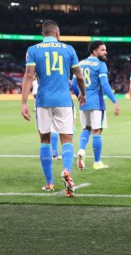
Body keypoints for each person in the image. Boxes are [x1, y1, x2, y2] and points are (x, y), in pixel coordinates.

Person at [21, 20, 86, 198]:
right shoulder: (69, 49)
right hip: (64, 101)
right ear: (57, 33)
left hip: (43, 101)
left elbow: (28, 76)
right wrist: (83, 93)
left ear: (43, 33)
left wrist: (24, 103)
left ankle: (49, 183)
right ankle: (66, 170)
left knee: (44, 140)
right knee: (66, 139)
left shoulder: (33, 50)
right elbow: (79, 76)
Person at [72, 40, 120, 170]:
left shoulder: (80, 64)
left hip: (84, 103)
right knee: (97, 131)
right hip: (97, 103)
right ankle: (97, 162)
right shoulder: (100, 65)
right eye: (102, 50)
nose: (105, 52)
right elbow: (104, 84)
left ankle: (81, 150)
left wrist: (80, 96)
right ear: (94, 51)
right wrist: (115, 101)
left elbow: (73, 85)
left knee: (86, 129)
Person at [33, 77, 62, 159]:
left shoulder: (40, 77)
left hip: (42, 101)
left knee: (43, 130)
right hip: (58, 100)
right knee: (55, 128)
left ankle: (50, 152)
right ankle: (54, 152)